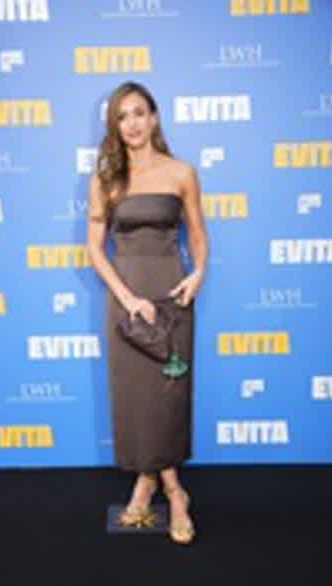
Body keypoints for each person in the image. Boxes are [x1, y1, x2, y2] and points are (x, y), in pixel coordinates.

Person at [86, 81, 208, 544]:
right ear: (114, 126)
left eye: (139, 113)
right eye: (122, 116)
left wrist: (198, 273)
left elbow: (197, 233)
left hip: (172, 295)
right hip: (126, 297)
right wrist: (127, 297)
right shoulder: (105, 179)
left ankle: (154, 486)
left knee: (168, 397)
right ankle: (171, 489)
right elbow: (94, 250)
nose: (132, 124)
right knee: (136, 398)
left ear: (154, 117)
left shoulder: (181, 172)